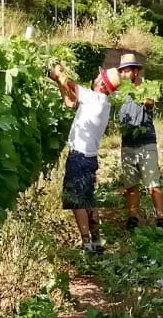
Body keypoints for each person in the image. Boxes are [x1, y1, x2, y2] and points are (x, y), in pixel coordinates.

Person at [47, 62, 116, 254]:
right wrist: (59, 82)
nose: (95, 78)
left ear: (102, 85)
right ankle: (97, 242)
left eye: (99, 77)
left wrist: (56, 71)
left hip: (78, 157)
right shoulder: (104, 103)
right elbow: (70, 102)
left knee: (77, 202)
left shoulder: (94, 97)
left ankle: (86, 245)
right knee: (89, 201)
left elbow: (70, 84)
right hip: (90, 158)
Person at [116, 52, 163, 229]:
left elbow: (149, 101)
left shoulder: (147, 88)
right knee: (131, 185)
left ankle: (161, 219)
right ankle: (133, 218)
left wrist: (135, 92)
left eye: (126, 71)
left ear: (136, 71)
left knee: (153, 183)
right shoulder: (119, 92)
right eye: (121, 71)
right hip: (127, 143)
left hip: (146, 142)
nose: (122, 74)